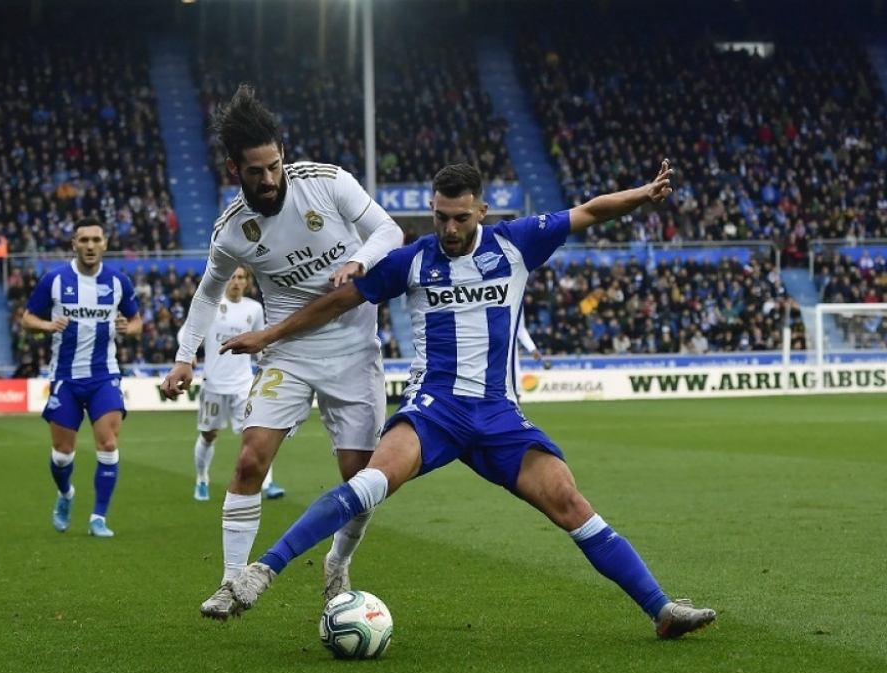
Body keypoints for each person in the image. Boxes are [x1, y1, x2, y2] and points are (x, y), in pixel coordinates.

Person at [213, 162, 717, 639]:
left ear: (481, 212)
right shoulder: (411, 261)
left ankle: (661, 610)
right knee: (369, 481)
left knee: (569, 501)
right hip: (435, 408)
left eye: (459, 217)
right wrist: (270, 334)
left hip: (498, 414)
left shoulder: (516, 243)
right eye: (440, 217)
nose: (448, 228)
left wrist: (644, 196)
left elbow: (589, 211)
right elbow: (337, 301)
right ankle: (264, 570)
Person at [160, 85, 404, 616]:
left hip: (355, 351)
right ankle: (231, 583)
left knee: (362, 479)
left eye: (275, 166)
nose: (269, 179)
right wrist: (185, 355)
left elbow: (389, 228)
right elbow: (206, 292)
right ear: (234, 170)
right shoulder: (232, 232)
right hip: (289, 354)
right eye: (256, 171)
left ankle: (337, 563)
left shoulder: (328, 183)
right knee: (249, 460)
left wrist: (360, 261)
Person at [21, 216, 143, 538]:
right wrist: (48, 326)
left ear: (105, 244)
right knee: (62, 456)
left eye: (96, 240)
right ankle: (66, 495)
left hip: (105, 375)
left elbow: (137, 321)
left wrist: (127, 329)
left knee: (109, 443)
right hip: (65, 377)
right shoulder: (54, 280)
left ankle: (98, 518)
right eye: (84, 240)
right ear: (74, 244)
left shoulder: (118, 282)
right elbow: (27, 318)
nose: (90, 246)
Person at [179, 266, 284, 502]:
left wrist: (267, 368)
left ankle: (267, 484)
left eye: (240, 278)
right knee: (209, 435)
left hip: (242, 385)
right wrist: (188, 354)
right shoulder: (211, 306)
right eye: (232, 277)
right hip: (214, 384)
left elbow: (259, 342)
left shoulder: (254, 309)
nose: (236, 282)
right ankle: (202, 479)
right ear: (226, 280)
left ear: (247, 282)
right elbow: (186, 332)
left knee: (258, 433)